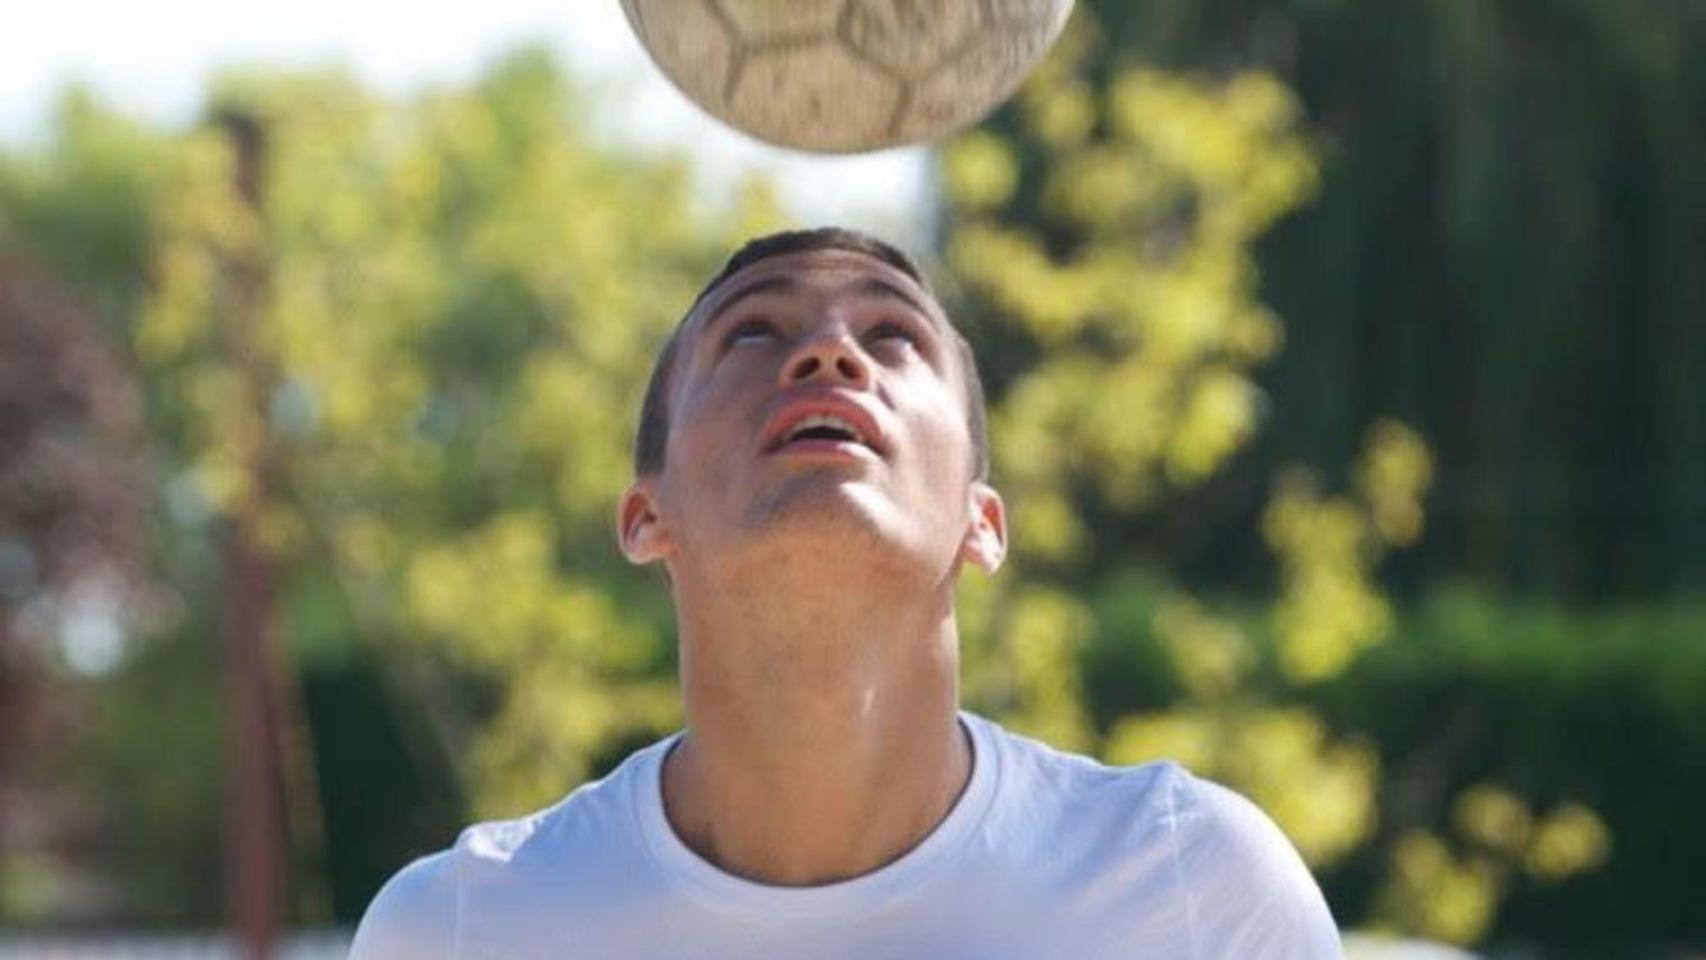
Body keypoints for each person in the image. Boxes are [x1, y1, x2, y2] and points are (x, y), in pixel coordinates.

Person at [350, 227, 1343, 959]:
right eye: (749, 334)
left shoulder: (1192, 887)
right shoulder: (458, 931)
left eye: (892, 334)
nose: (828, 353)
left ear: (980, 522)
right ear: (646, 517)